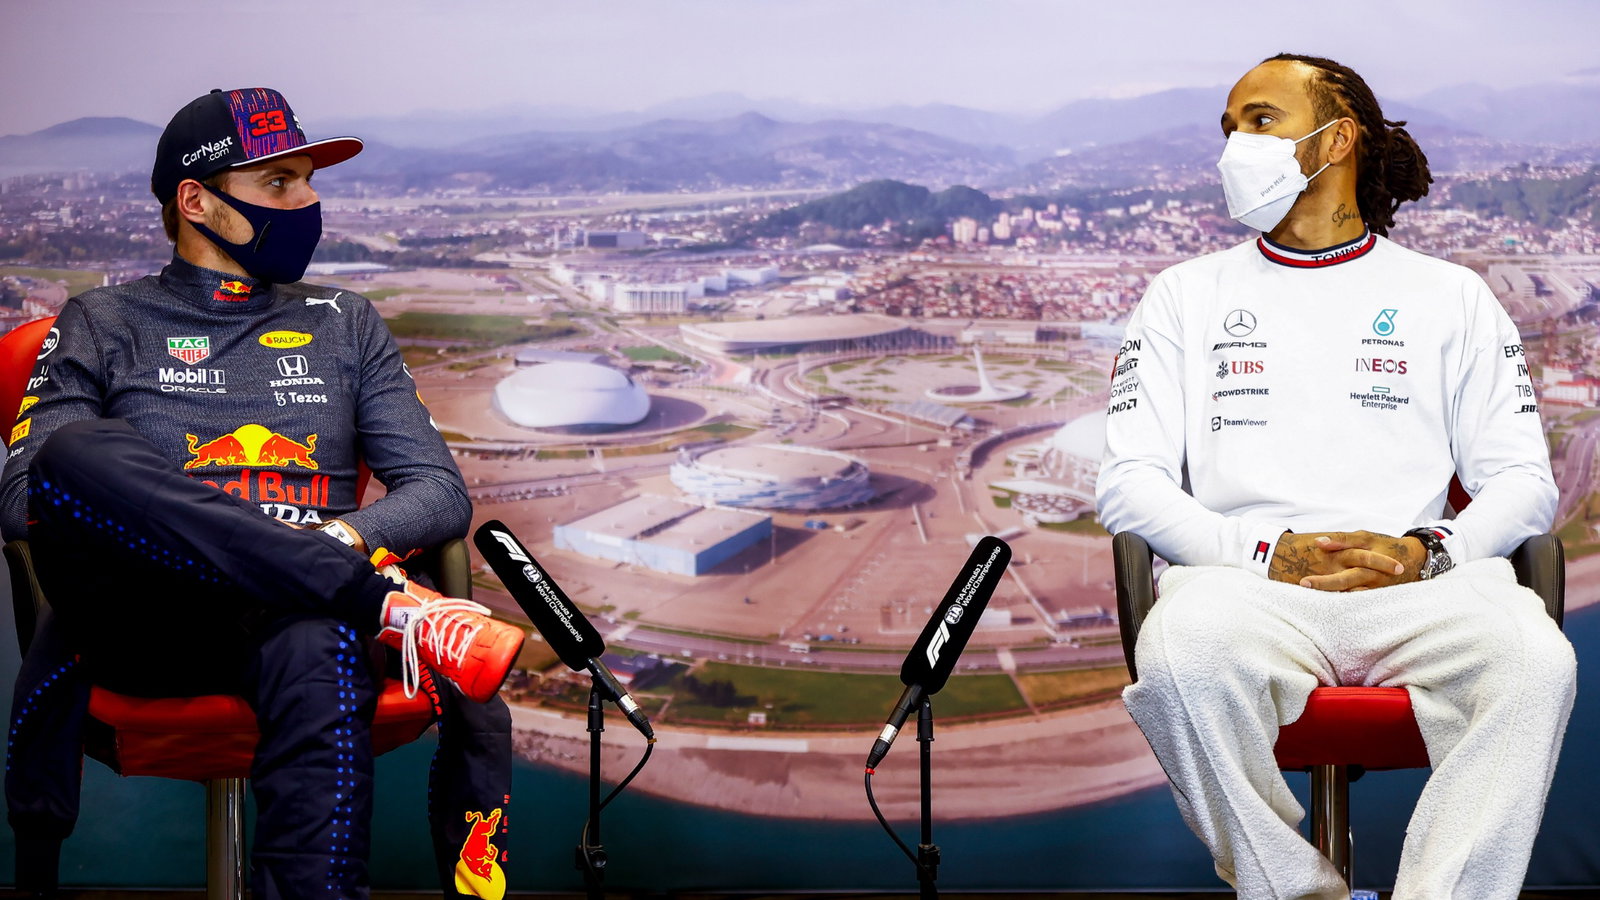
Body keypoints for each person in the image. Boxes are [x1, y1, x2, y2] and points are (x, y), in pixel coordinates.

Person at [3, 88, 525, 899]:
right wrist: (347, 575)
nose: (309, 202)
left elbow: (436, 492)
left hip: (303, 617)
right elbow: (26, 494)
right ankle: (380, 603)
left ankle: (346, 594)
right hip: (150, 611)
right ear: (196, 200)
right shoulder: (102, 319)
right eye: (279, 184)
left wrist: (338, 544)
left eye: (310, 182)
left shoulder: (346, 321)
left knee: (321, 640)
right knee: (71, 451)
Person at [1096, 54, 1576, 899]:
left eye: (1260, 120)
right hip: (1243, 584)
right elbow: (1128, 484)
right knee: (1177, 658)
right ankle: (1293, 893)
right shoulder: (1181, 295)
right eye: (1230, 126)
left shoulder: (1452, 296)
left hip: (1418, 580)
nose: (1234, 145)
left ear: (1337, 139)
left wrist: (1429, 550)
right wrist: (1263, 554)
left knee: (1537, 661)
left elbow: (1524, 482)